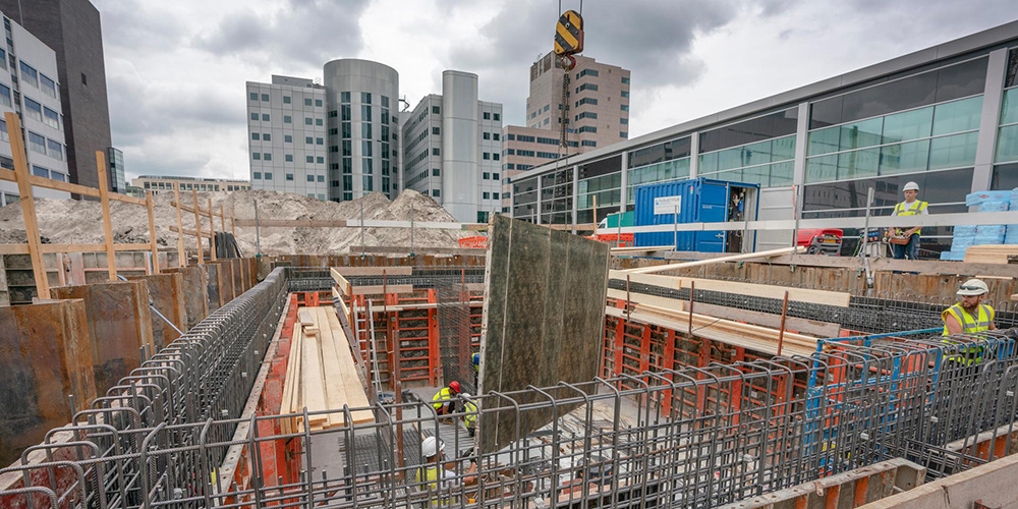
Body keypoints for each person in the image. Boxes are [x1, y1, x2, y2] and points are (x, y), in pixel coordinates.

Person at [942, 278, 997, 364]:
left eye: (970, 296)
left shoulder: (987, 310)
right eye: (964, 296)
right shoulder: (953, 312)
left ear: (981, 297)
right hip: (954, 360)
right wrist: (980, 341)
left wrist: (1004, 335)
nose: (965, 299)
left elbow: (992, 329)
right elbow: (956, 336)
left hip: (976, 360)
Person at [416, 436, 477, 502]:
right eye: (441, 450)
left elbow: (443, 466)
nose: (443, 452)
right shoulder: (444, 475)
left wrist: (462, 457)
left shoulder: (420, 470)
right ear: (435, 455)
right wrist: (473, 462)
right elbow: (469, 479)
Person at [890, 181, 928, 260]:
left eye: (910, 192)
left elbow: (924, 221)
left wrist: (912, 231)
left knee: (912, 254)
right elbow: (891, 220)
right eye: (906, 192)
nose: (908, 194)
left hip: (913, 234)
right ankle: (897, 272)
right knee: (898, 255)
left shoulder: (921, 205)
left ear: (915, 193)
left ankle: (913, 272)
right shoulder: (899, 206)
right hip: (899, 234)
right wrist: (892, 230)